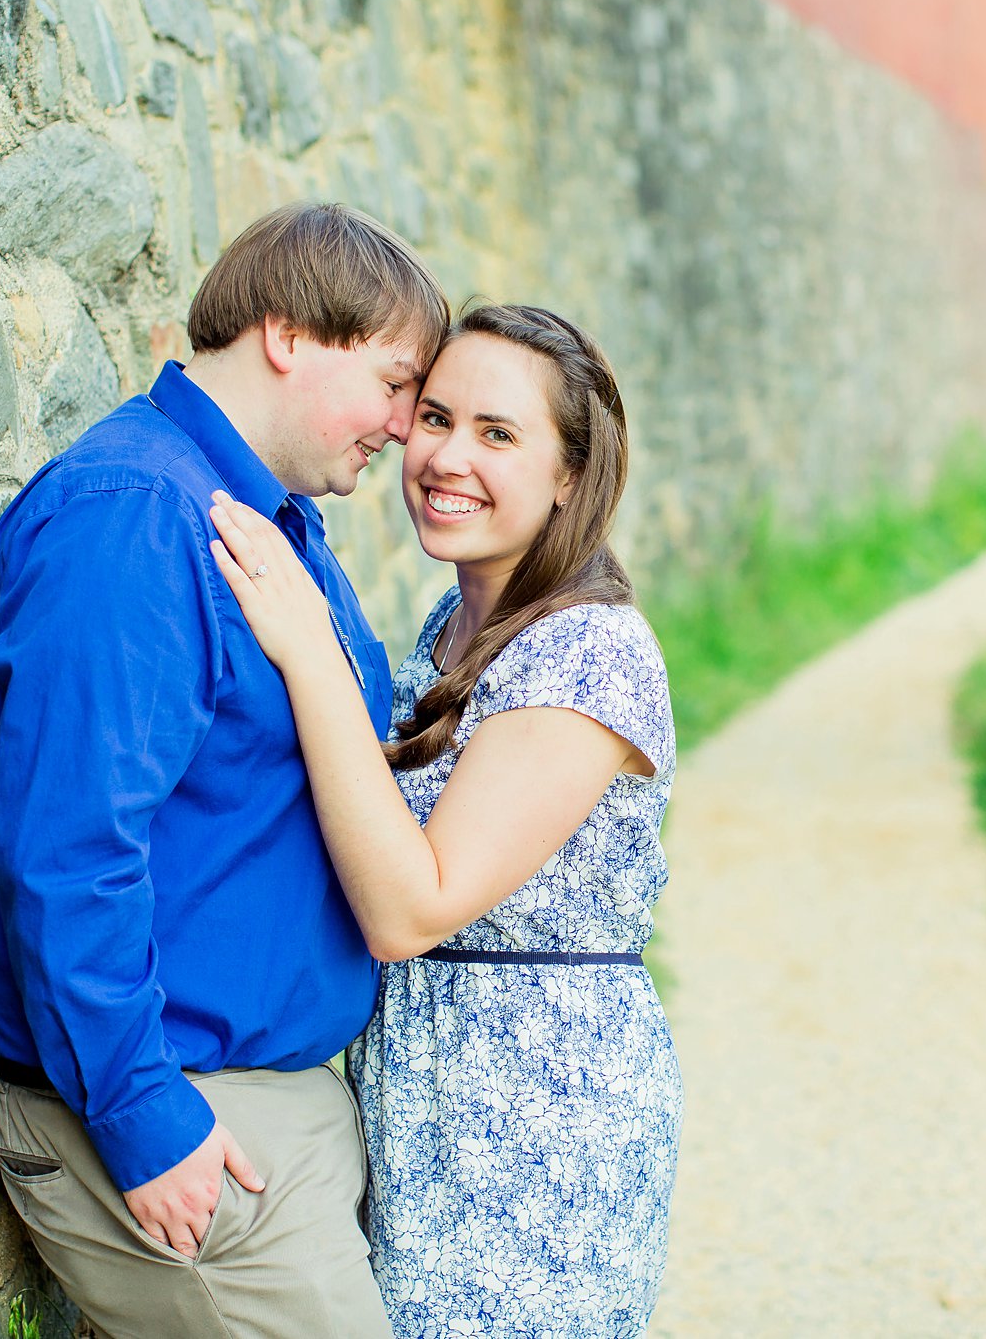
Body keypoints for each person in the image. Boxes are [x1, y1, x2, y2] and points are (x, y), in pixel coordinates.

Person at [0, 201, 447, 1337]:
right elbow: (69, 848)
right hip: (178, 1120)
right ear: (288, 333)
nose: (401, 426)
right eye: (391, 381)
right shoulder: (134, 517)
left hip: (266, 1109)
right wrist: (144, 1115)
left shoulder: (263, 522)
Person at [207, 303, 683, 1337]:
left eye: (498, 434)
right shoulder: (454, 627)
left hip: (535, 1116)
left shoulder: (588, 650)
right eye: (434, 417)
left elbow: (411, 908)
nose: (446, 456)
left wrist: (308, 650)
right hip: (422, 1095)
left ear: (568, 475)